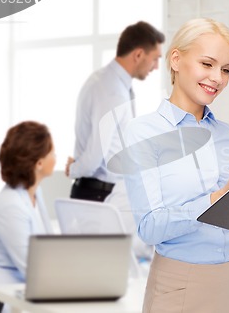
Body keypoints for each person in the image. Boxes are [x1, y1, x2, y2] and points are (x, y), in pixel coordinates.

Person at [123, 18, 229, 313]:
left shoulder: (228, 136)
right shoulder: (143, 134)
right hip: (178, 286)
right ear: (176, 59)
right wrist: (217, 197)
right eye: (207, 64)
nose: (217, 78)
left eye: (226, 70)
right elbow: (149, 228)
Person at [65, 20, 165, 202]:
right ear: (139, 54)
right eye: (155, 58)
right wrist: (73, 170)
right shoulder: (111, 91)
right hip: (98, 196)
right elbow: (95, 156)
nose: (156, 66)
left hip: (102, 193)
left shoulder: (109, 83)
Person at [0, 121, 55, 313]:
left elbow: (46, 249)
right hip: (1, 299)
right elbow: (32, 268)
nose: (55, 157)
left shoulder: (34, 193)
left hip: (21, 292)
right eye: (52, 152)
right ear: (39, 163)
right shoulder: (11, 205)